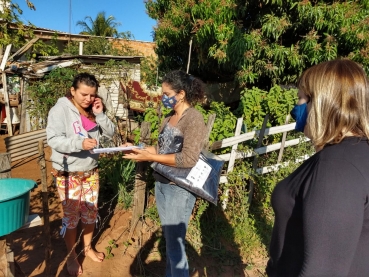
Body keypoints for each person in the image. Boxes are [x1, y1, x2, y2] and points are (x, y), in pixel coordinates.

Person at [266, 59, 369, 276]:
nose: (297, 108)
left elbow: (323, 269)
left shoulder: (337, 166)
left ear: (323, 102)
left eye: (301, 98)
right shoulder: (357, 154)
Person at [123, 70, 207, 276]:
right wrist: (139, 150)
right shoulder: (169, 117)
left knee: (175, 247)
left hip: (179, 189)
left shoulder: (193, 119)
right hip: (161, 184)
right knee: (171, 244)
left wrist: (150, 158)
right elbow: (163, 150)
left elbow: (188, 159)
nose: (163, 98)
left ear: (181, 94)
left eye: (167, 93)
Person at [46, 72, 115, 276]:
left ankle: (87, 248)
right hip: (68, 173)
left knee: (90, 214)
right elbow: (54, 140)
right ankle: (72, 256)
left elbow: (110, 134)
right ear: (73, 91)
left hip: (91, 171)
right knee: (71, 217)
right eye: (84, 94)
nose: (88, 99)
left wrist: (101, 114)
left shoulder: (93, 110)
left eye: (92, 95)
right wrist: (79, 144)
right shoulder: (60, 110)